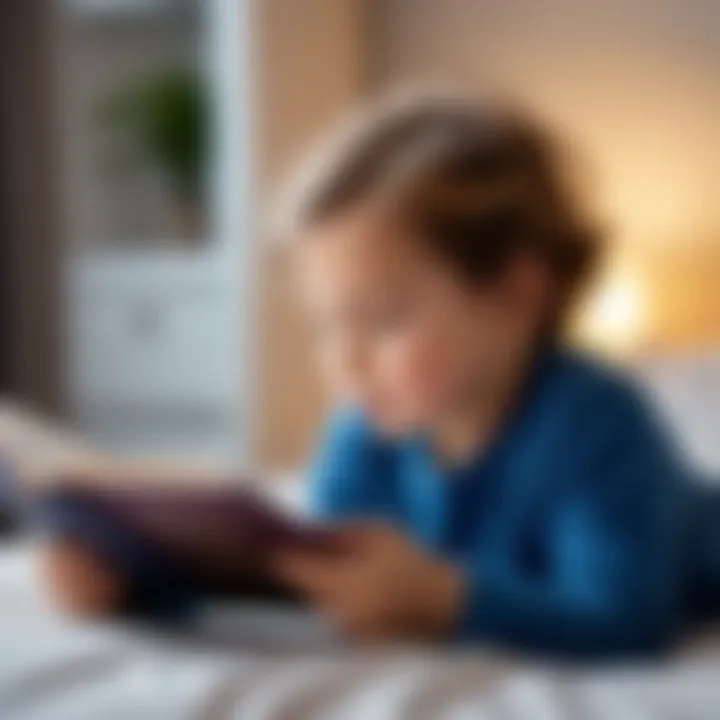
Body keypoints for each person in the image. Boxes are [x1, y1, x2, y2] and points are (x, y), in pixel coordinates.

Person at [43, 92, 720, 658]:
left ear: (518, 295)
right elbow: (315, 577)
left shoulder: (599, 423)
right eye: (327, 325)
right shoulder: (372, 426)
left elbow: (627, 618)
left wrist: (448, 600)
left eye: (380, 321)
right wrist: (137, 584)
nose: (345, 359)